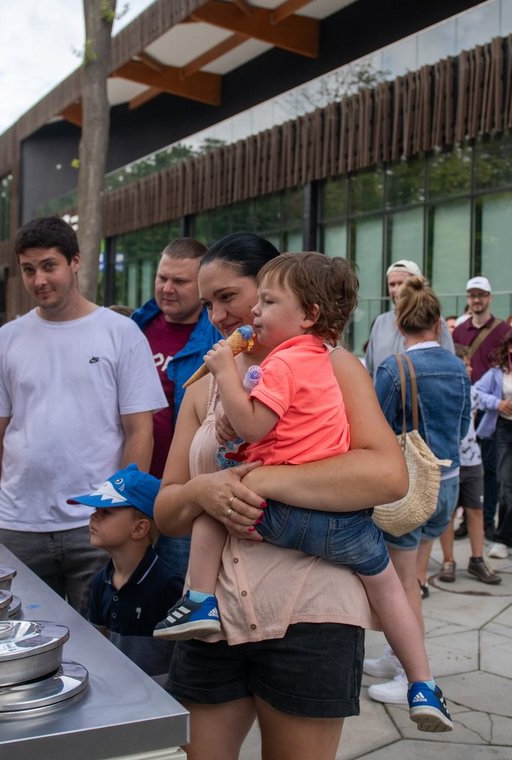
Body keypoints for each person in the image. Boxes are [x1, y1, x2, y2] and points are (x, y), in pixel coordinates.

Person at [154, 253, 451, 731]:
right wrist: (200, 492)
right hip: (226, 624)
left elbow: (388, 476)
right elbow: (167, 511)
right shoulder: (205, 387)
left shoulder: (328, 365)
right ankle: (423, 682)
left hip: (312, 611)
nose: (221, 317)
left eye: (233, 298)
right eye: (208, 303)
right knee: (390, 585)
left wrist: (260, 480)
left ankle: (197, 599)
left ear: (300, 306)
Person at [0, 216, 166, 616]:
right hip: (17, 525)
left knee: (101, 654)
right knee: (14, 649)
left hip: (93, 526)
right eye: (29, 270)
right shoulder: (8, 339)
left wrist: (121, 512)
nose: (39, 280)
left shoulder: (121, 332)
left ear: (75, 262)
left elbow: (139, 433)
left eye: (49, 266)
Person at [367, 276, 470, 706]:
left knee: (405, 585)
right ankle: (396, 654)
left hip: (407, 490)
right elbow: (462, 428)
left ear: (399, 322)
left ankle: (414, 674)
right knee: (413, 579)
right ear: (437, 322)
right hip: (447, 486)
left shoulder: (394, 367)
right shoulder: (458, 367)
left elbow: (374, 431)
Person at [131, 238, 223, 578]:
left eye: (180, 281)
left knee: (176, 594)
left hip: (184, 495)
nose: (167, 288)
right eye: (161, 278)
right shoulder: (135, 327)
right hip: (133, 487)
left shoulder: (218, 337)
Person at [69, 464, 183, 681]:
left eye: (105, 512)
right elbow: (97, 644)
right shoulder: (99, 581)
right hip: (116, 697)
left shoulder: (169, 586)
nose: (93, 518)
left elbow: (186, 656)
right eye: (95, 511)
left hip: (160, 704)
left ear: (139, 528)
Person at [453, 276, 512, 539]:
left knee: (488, 469)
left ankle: (486, 520)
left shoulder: (503, 330)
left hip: (490, 410)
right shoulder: (459, 330)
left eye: (481, 295)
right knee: (463, 468)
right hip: (462, 406)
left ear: (489, 297)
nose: (476, 300)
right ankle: (466, 519)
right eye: (472, 296)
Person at [437, 345, 501, 584]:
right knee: (448, 513)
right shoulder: (442, 392)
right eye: (465, 364)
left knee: (476, 509)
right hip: (449, 460)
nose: (470, 368)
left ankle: (477, 559)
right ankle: (448, 560)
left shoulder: (473, 392)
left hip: (473, 460)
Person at [477, 326, 512, 559]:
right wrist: (497, 403)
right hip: (508, 431)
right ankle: (503, 539)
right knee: (508, 486)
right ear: (511, 347)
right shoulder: (499, 372)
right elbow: (476, 391)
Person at [363, 259, 453, 377]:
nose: (396, 290)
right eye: (392, 284)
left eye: (401, 283)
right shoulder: (380, 322)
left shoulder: (434, 321)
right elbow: (370, 370)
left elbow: (449, 363)